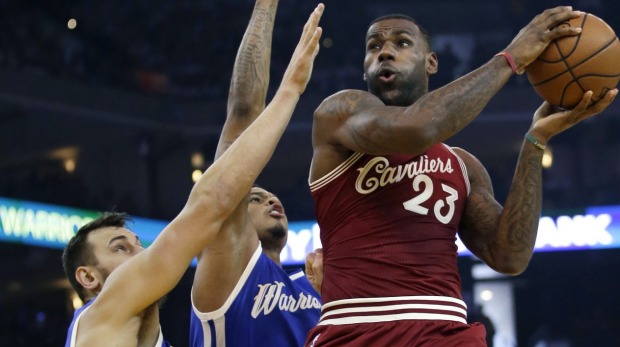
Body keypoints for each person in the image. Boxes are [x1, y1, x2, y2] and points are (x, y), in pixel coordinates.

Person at [305, 6, 617, 347]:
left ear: (432, 63)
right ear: (364, 68)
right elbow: (418, 129)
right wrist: (508, 58)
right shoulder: (339, 114)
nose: (385, 52)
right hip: (358, 329)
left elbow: (509, 256)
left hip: (447, 330)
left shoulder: (463, 166)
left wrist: (535, 141)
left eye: (402, 42)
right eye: (373, 46)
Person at [61, 4, 324, 346]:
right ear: (88, 277)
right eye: (121, 248)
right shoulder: (101, 314)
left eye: (139, 244)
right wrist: (289, 91)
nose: (142, 254)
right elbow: (212, 200)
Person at [189, 1, 323, 346]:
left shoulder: (313, 285)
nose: (272, 199)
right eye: (256, 198)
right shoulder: (230, 269)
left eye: (270, 196)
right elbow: (244, 110)